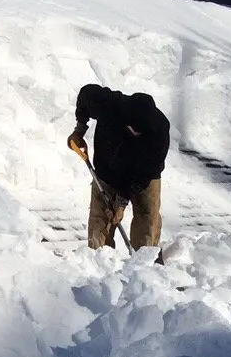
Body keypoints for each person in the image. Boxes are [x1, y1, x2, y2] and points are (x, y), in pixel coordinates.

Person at [66, 84, 170, 251]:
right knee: (101, 217)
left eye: (141, 133)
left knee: (147, 216)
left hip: (143, 176)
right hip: (107, 170)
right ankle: (98, 261)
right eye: (135, 130)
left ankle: (146, 262)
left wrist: (121, 203)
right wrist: (79, 130)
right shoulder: (109, 104)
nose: (138, 134)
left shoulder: (159, 129)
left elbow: (147, 171)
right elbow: (85, 94)